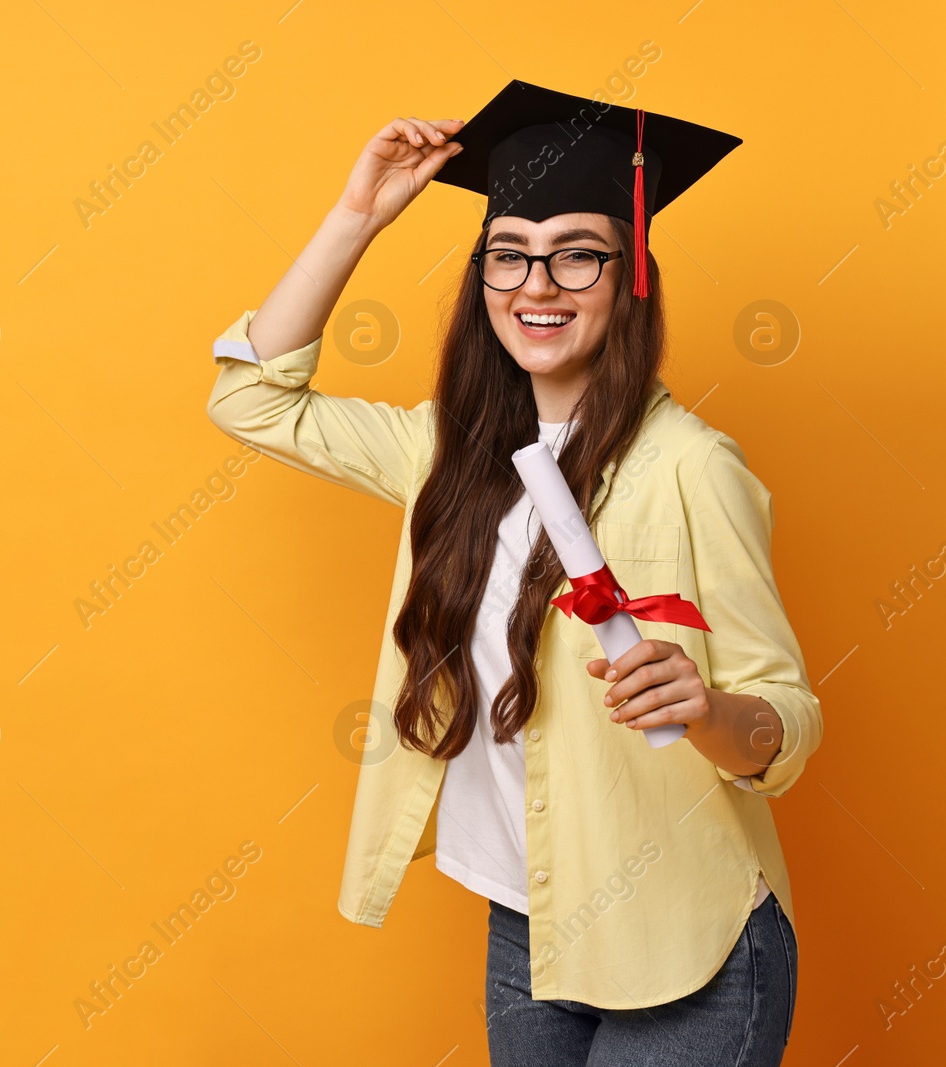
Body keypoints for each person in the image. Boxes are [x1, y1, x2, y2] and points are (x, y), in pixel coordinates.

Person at [205, 80, 821, 1065]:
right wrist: (359, 213)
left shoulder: (691, 467)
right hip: (525, 922)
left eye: (578, 253)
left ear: (633, 277)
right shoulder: (445, 451)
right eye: (509, 255)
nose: (538, 284)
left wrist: (703, 705)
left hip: (688, 941)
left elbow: (784, 725)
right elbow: (250, 400)